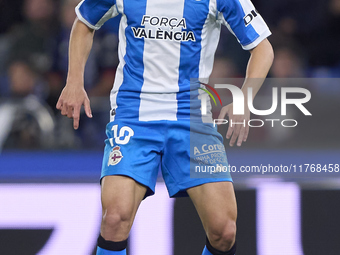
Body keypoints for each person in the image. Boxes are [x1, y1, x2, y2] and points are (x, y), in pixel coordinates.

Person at [56, 0, 273, 254]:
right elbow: (84, 21)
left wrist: (244, 98)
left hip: (191, 118)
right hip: (133, 116)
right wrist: (74, 80)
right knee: (115, 219)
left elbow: (262, 47)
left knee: (223, 231)